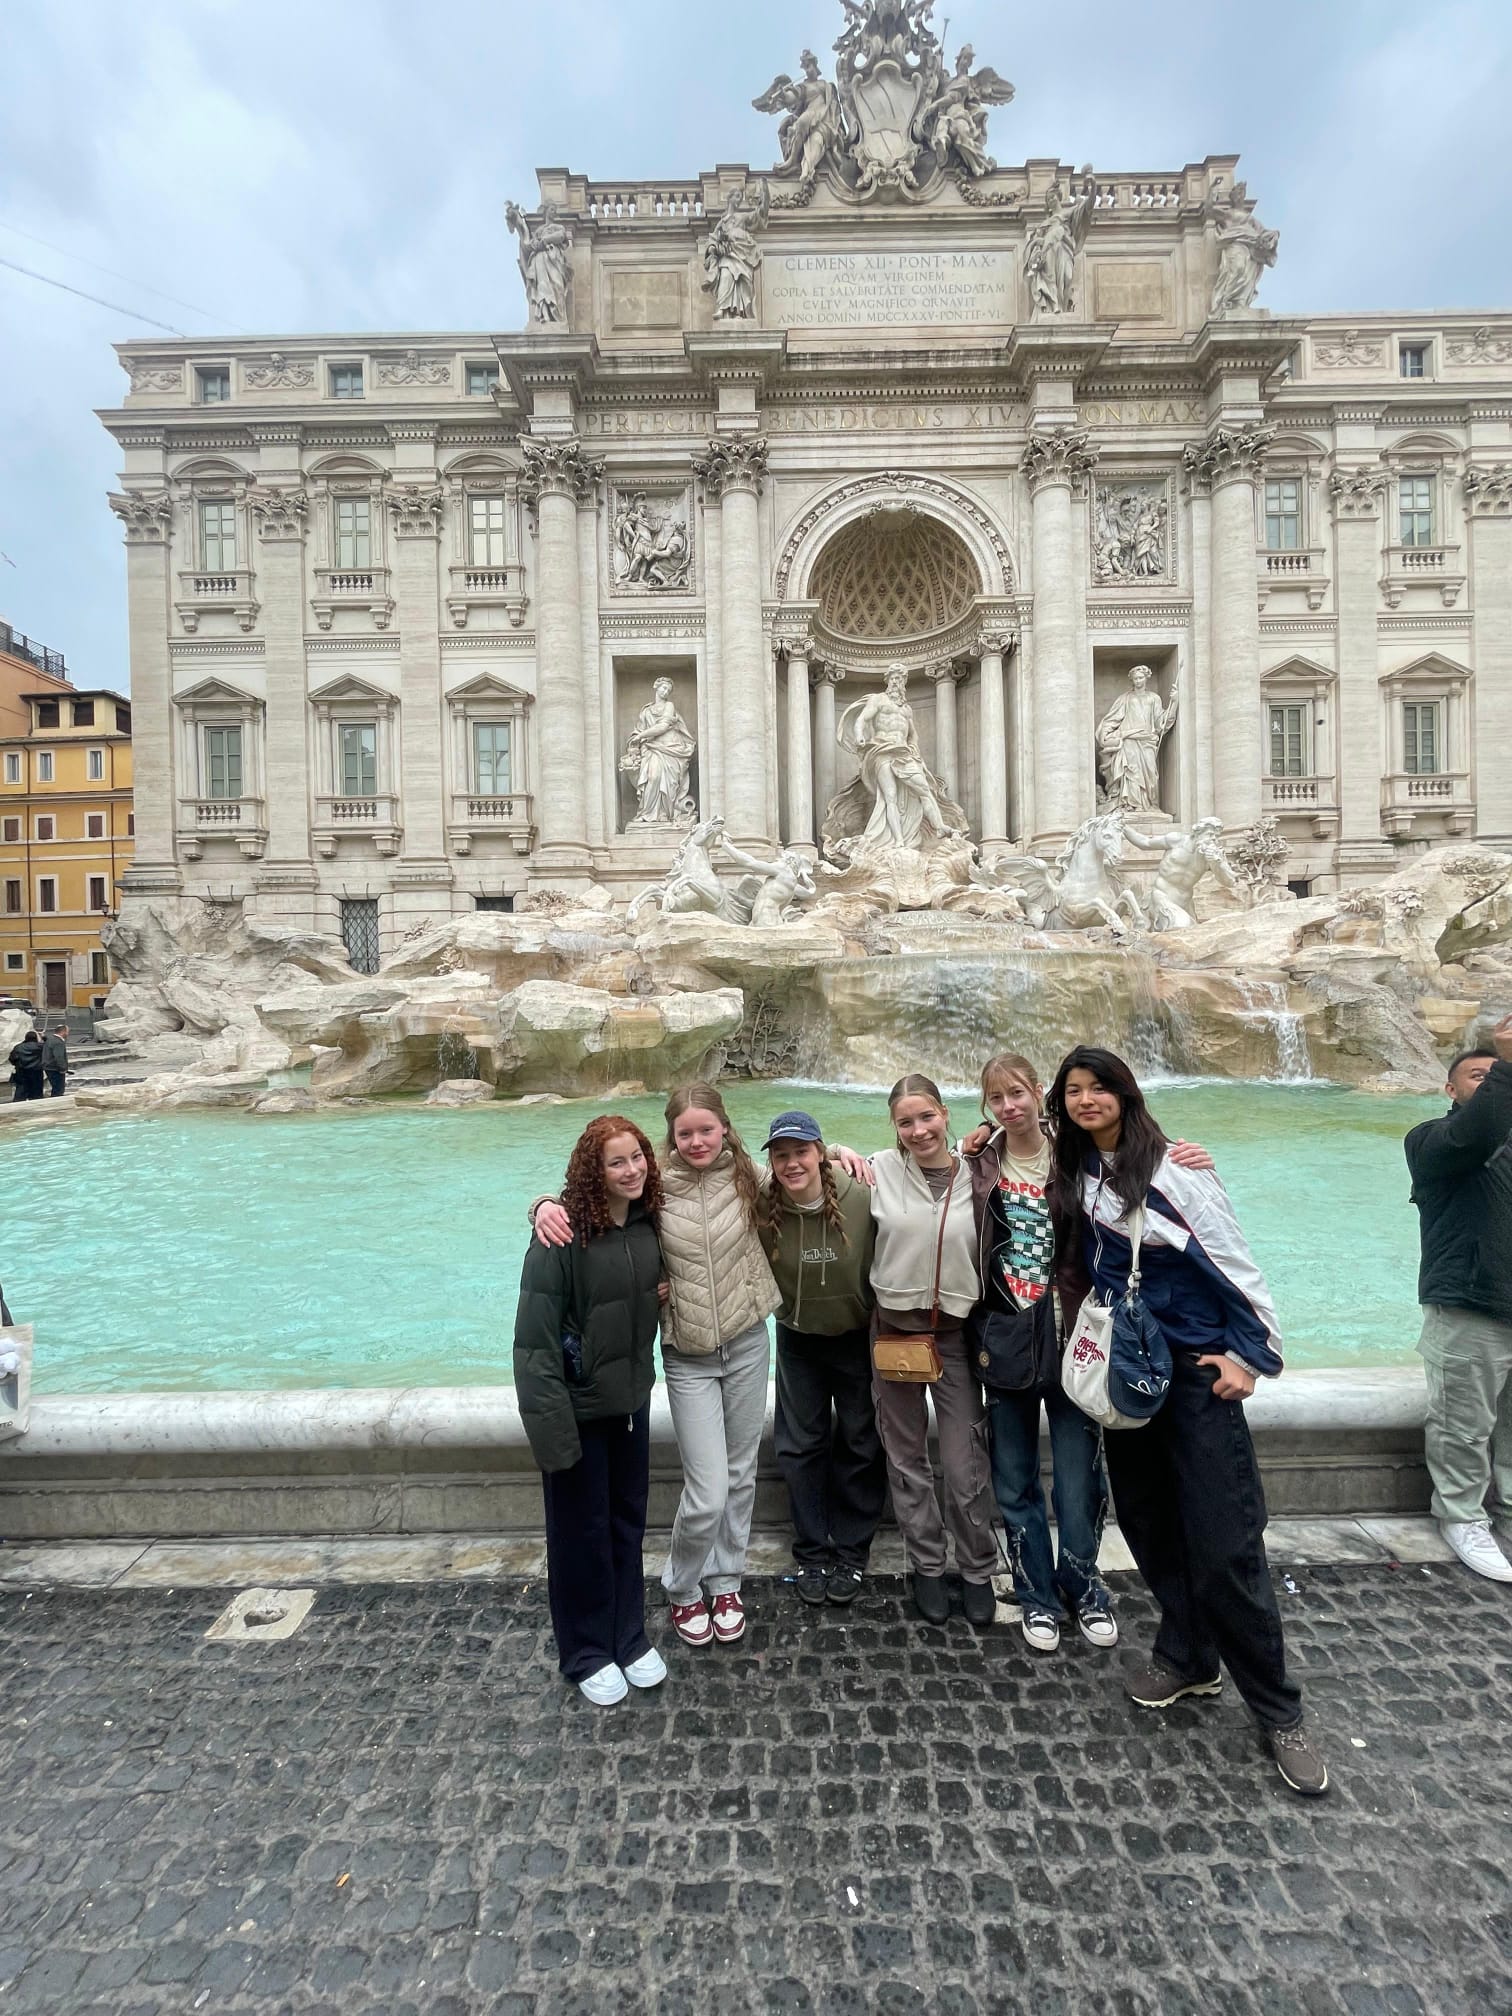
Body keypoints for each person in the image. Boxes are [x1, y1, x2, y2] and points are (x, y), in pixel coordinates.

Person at [1046, 1046, 1329, 1798]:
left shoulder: (1175, 1171)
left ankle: (1278, 1710)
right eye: (1073, 1090)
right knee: (1147, 1521)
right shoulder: (1080, 1168)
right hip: (1130, 1372)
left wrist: (1252, 1357)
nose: (1086, 1099)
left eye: (1098, 1087)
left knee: (1224, 1541)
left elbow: (1235, 1263)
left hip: (1197, 1375)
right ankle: (1189, 1656)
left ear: (1125, 1092)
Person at [963, 1056, 1217, 1655]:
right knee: (1014, 1477)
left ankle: (1083, 1583)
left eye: (1017, 1093)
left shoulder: (1076, 1155)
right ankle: (1035, 1592)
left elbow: (1139, 1163)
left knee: (1079, 1480)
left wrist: (1186, 1156)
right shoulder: (977, 1162)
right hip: (1005, 1337)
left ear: (1038, 1092)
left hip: (1081, 1337)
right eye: (996, 1098)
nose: (1009, 1106)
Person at [513, 1115, 668, 1706]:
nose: (631, 1170)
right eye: (616, 1162)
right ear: (592, 1171)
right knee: (580, 1533)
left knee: (627, 1524)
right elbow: (533, 1346)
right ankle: (585, 1651)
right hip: (576, 1410)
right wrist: (552, 1436)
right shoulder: (558, 1236)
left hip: (629, 1401)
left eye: (637, 1157)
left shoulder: (647, 1223)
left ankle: (627, 1636)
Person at [870, 1073, 1000, 1627]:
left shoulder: (981, 1172)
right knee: (906, 1460)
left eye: (927, 1117)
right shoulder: (876, 1170)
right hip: (894, 1333)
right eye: (905, 1122)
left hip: (954, 1335)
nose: (918, 1130)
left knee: (964, 1459)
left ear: (946, 1114)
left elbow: (1040, 1136)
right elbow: (804, 1168)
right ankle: (926, 1563)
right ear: (893, 1127)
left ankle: (976, 1567)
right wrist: (834, 1150)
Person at [762, 1110, 885, 1606]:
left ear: (819, 1152)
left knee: (861, 1441)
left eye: (802, 1152)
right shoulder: (762, 1199)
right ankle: (812, 1551)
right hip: (797, 1340)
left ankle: (852, 1551)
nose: (792, 1163)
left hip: (856, 1335)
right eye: (781, 1155)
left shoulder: (862, 1191)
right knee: (800, 1447)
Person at [1404, 1020, 1512, 1583]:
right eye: (1479, 1076)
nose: (1490, 1081)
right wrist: (1506, 1064)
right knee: (1462, 1424)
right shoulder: (1431, 1140)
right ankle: (1462, 1516)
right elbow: (1480, 1131)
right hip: (1469, 1301)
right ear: (1451, 1089)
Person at [8, 1031, 44, 1102]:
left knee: (21, 1092)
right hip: (36, 1072)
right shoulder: (41, 1046)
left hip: (22, 1072)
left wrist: (17, 1064)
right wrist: (43, 1037)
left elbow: (12, 1058)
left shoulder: (18, 1047)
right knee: (36, 1093)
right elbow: (48, 1046)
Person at [42, 1025, 68, 1098]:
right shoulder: (58, 1042)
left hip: (48, 1067)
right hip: (55, 1068)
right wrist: (63, 1068)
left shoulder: (50, 1039)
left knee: (55, 1087)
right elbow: (59, 1056)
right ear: (63, 1031)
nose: (67, 1034)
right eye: (67, 1032)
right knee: (59, 1089)